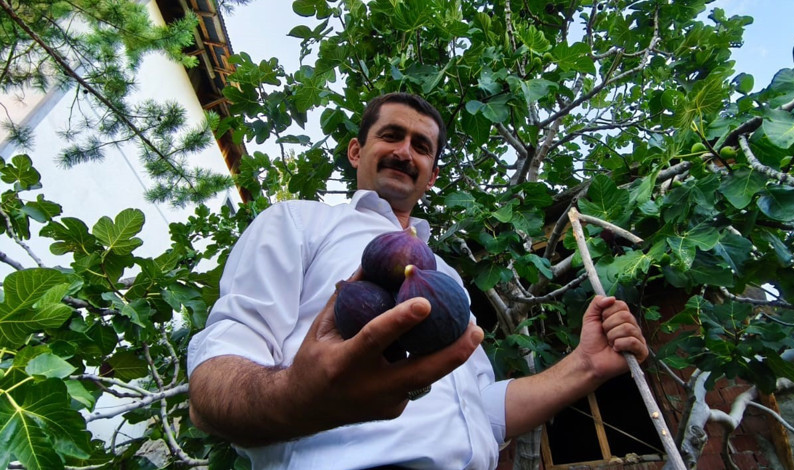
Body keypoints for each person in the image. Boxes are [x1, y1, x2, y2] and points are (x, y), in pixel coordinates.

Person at [187, 92, 648, 469]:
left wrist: (585, 365)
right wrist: (299, 398)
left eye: (422, 146)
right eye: (391, 135)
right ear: (356, 151)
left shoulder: (444, 275)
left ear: (432, 175)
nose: (405, 152)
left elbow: (479, 414)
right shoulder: (298, 222)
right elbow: (212, 381)